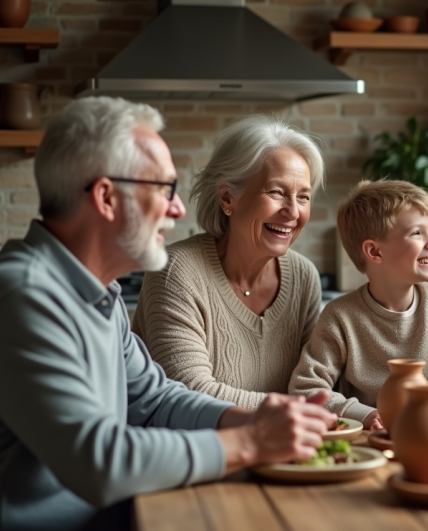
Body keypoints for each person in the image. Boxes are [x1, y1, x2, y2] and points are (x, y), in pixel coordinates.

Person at [0, 98, 335, 531]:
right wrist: (249, 442)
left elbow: (155, 400)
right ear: (107, 197)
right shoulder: (22, 300)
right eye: (162, 190)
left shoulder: (97, 295)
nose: (178, 210)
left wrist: (249, 419)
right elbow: (99, 463)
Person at [289, 180, 428, 430]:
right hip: (371, 441)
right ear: (374, 252)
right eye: (417, 233)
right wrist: (364, 415)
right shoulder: (340, 317)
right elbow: (306, 388)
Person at [132, 115, 324, 409]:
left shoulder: (303, 277)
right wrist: (297, 410)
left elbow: (314, 386)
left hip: (284, 448)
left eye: (304, 197)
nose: (293, 212)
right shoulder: (176, 270)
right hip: (194, 450)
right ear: (227, 198)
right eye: (276, 192)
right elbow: (189, 392)